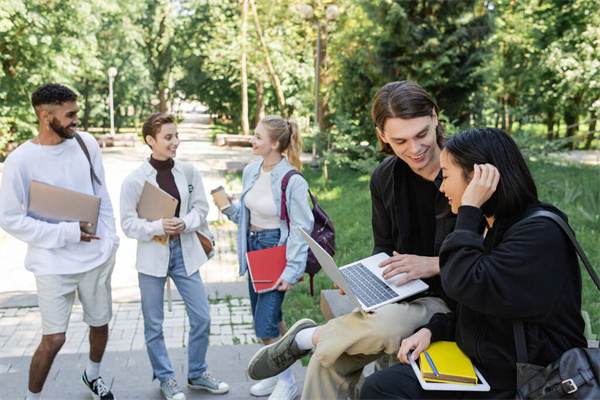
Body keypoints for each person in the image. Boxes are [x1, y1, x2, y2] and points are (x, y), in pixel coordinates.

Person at [246, 81, 457, 400]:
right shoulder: (385, 178)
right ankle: (313, 341)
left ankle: (307, 337)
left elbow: (498, 257)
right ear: (382, 135)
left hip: (451, 299)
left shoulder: (465, 170)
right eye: (400, 140)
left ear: (435, 117)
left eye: (421, 135)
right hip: (400, 291)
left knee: (380, 328)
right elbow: (383, 246)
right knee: (327, 361)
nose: (414, 149)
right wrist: (366, 275)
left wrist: (432, 265)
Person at [361, 127, 587, 399]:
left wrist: (468, 210)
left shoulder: (539, 233)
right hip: (481, 368)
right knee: (381, 387)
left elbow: (463, 283)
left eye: (446, 176)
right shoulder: (491, 225)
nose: (442, 187)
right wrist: (433, 330)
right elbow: (479, 306)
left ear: (480, 178)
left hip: (530, 380)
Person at [0, 83, 119, 400]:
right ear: (45, 116)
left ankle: (92, 377)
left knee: (100, 324)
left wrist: (111, 239)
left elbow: (101, 193)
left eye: (76, 113)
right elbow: (10, 218)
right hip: (52, 264)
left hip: (96, 257)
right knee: (54, 339)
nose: (76, 120)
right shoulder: (20, 161)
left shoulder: (85, 143)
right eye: (69, 115)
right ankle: (32, 397)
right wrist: (66, 232)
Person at [120, 113, 229, 400]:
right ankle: (166, 378)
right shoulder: (134, 181)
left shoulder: (189, 171)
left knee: (202, 317)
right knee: (153, 324)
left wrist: (186, 222)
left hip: (185, 251)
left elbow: (202, 209)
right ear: (150, 141)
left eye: (176, 136)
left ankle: (196, 372)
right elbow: (128, 224)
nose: (175, 142)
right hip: (152, 256)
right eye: (168, 137)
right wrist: (158, 226)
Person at [221, 115, 314, 400]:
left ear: (275, 143)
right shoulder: (251, 171)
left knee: (265, 324)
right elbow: (249, 215)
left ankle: (287, 382)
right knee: (274, 316)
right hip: (254, 248)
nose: (253, 140)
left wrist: (291, 270)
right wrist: (227, 208)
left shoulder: (292, 180)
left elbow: (302, 227)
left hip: (277, 251)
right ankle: (277, 376)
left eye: (259, 137)